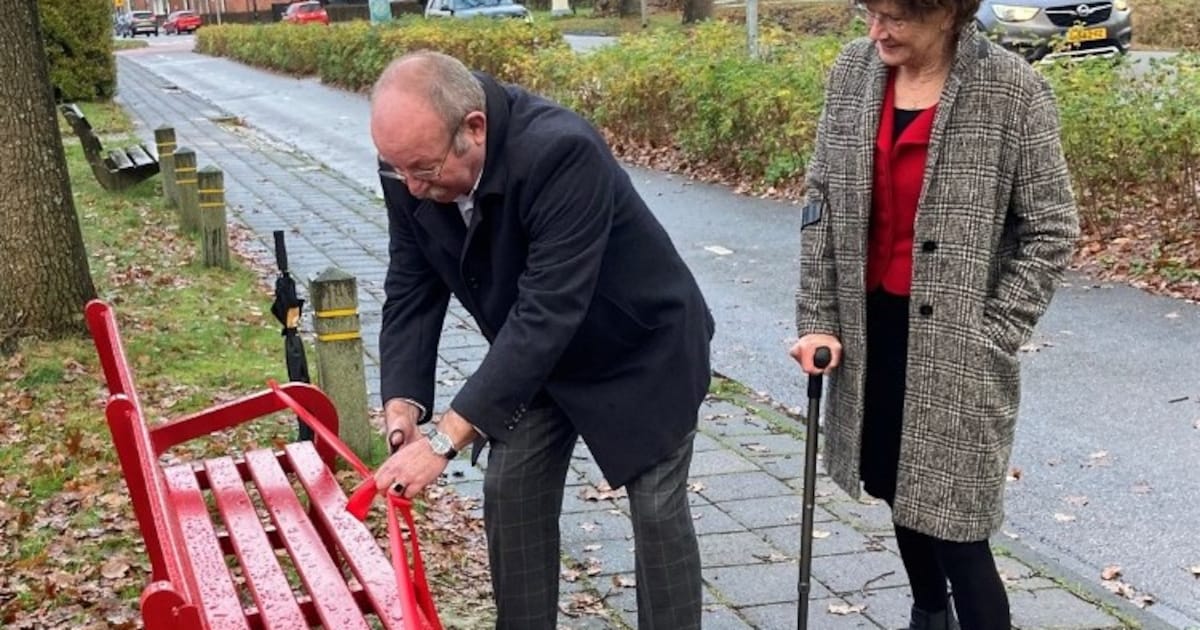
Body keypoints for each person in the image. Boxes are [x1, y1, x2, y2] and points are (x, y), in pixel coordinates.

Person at [369, 51, 714, 630]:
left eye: (423, 171)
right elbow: (411, 283)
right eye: (397, 168)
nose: (409, 186)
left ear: (473, 130)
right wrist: (404, 399)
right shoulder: (411, 162)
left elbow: (549, 308)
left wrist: (445, 438)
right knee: (511, 490)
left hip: (639, 348)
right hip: (540, 363)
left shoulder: (561, 151)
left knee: (655, 510)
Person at [790, 1, 1079, 628]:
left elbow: (1052, 230)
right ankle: (928, 614)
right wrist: (816, 315)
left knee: (957, 522)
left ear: (947, 11)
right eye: (870, 12)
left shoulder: (1012, 89)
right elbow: (822, 200)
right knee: (897, 485)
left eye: (895, 17)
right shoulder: (852, 71)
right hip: (870, 330)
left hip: (958, 343)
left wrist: (995, 332)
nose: (876, 32)